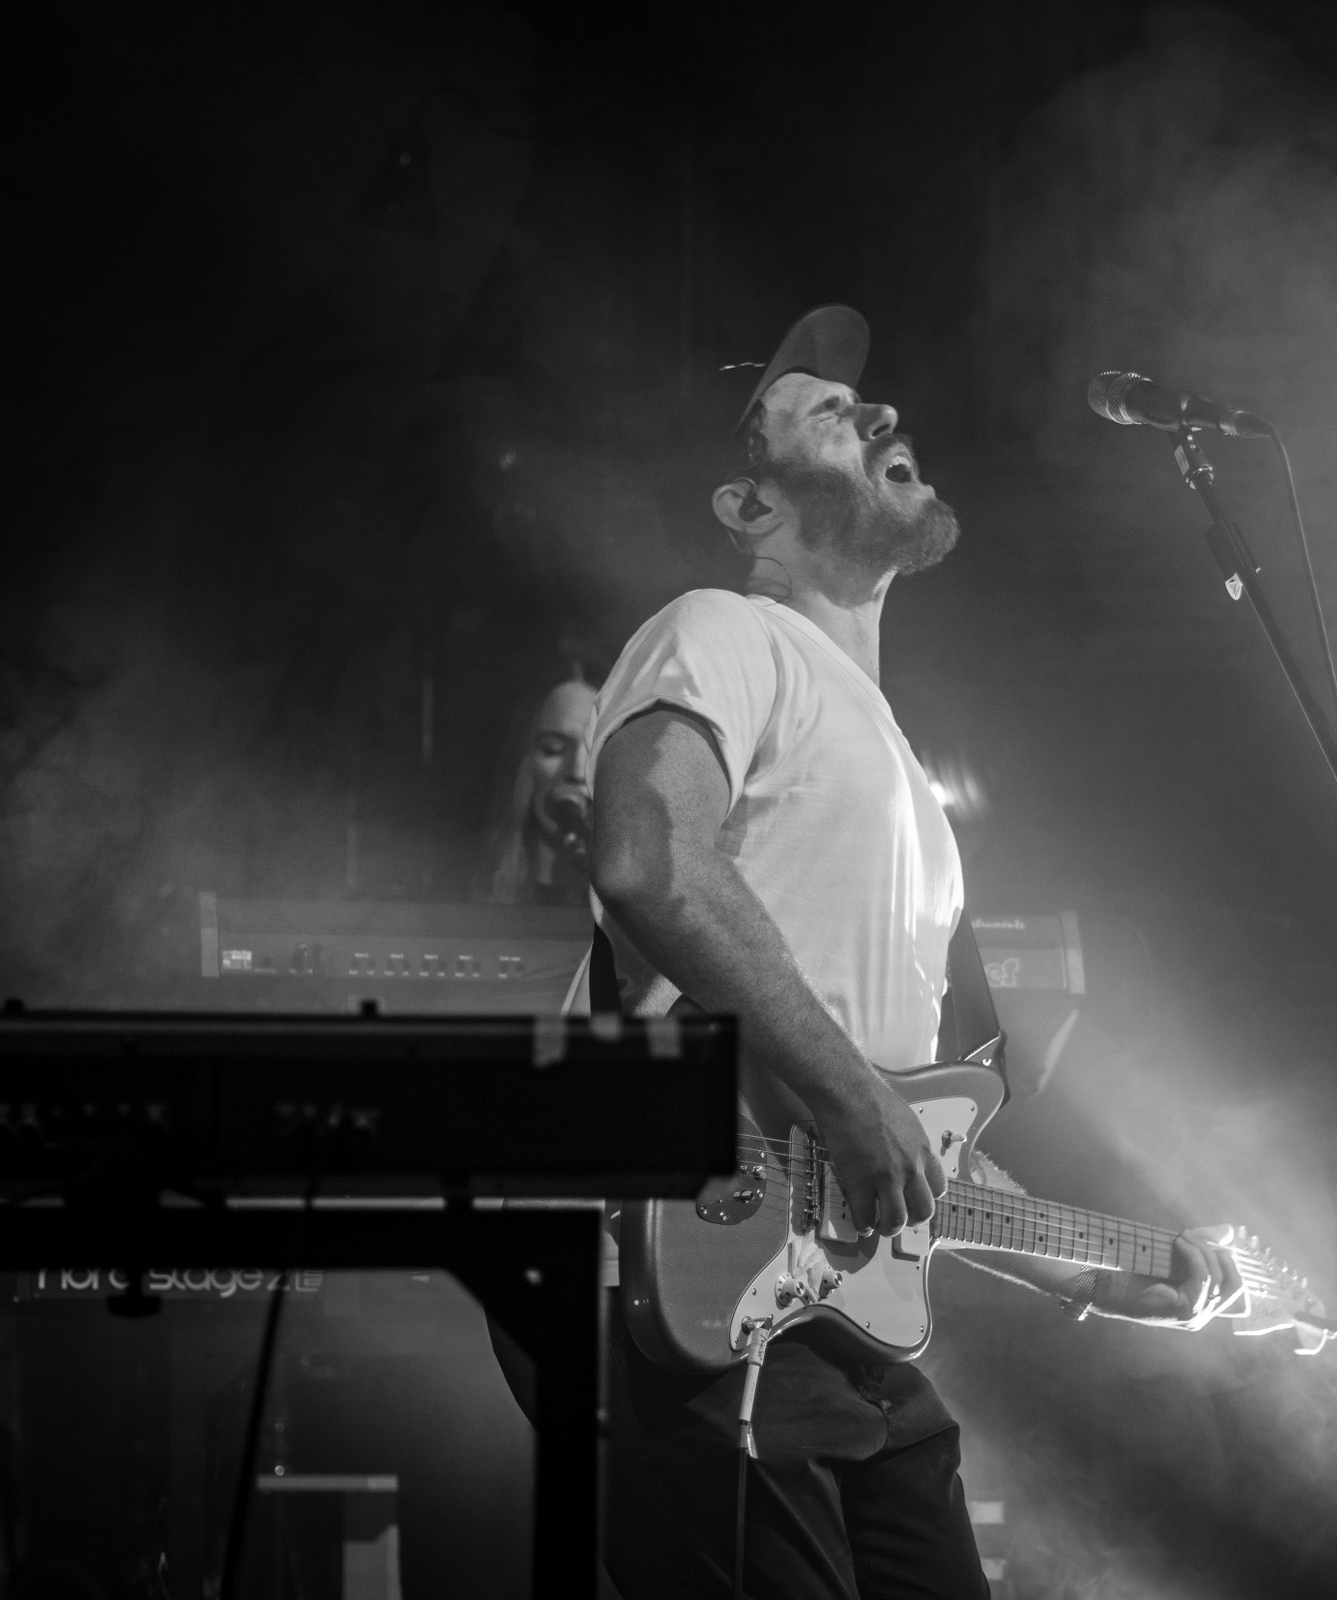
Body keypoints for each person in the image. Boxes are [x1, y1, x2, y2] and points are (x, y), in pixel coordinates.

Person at [578, 307, 1240, 1599]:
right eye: (830, 412)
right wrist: (840, 1091)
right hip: (711, 1302)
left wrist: (1110, 1269)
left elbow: (905, 1135)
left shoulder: (913, 801)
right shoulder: (722, 631)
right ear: (748, 502)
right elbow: (650, 858)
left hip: (844, 1337)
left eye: (876, 406)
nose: (884, 416)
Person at [488, 661, 601, 906]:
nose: (577, 771)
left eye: (595, 749)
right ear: (524, 762)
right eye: (554, 748)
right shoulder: (462, 881)